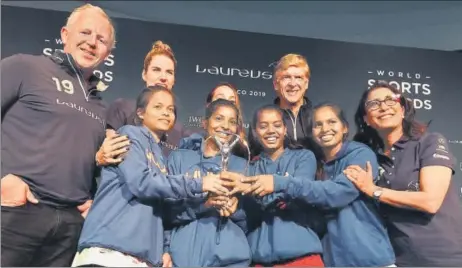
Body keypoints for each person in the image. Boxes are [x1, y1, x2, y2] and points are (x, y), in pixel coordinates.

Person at [1, 4, 115, 266]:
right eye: (85, 32)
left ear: (107, 52)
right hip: (16, 211)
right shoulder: (25, 67)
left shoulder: (99, 103)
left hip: (68, 227)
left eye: (101, 39)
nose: (91, 43)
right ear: (65, 34)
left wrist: (92, 200)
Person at [72, 86, 231, 267]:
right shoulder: (129, 134)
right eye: (158, 107)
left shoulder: (162, 159)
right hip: (108, 253)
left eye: (170, 109)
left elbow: (163, 210)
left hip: (141, 259)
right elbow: (142, 183)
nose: (166, 113)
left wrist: (164, 247)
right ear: (140, 112)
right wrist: (200, 183)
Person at [345, 80, 462, 266]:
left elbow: (431, 201)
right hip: (400, 261)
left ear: (402, 109)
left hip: (445, 259)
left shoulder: (429, 142)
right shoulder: (370, 158)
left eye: (390, 100)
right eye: (374, 104)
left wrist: (373, 190)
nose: (383, 107)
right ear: (366, 119)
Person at [225, 104, 325, 267]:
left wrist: (254, 190)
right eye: (263, 126)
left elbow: (300, 192)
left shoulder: (304, 157)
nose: (271, 131)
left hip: (303, 258)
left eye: (277, 125)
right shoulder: (249, 167)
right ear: (256, 132)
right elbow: (247, 214)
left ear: (285, 129)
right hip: (261, 261)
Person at [165, 99, 251, 267]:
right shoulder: (180, 158)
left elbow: (250, 221)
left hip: (230, 258)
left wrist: (234, 210)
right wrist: (205, 204)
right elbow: (166, 211)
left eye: (232, 122)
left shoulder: (243, 165)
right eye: (219, 118)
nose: (226, 126)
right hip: (182, 257)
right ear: (205, 123)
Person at [309, 102, 395, 266]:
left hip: (373, 260)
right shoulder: (315, 166)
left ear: (345, 128)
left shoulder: (360, 154)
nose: (325, 128)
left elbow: (336, 194)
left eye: (331, 122)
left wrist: (282, 184)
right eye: (317, 125)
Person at [100, 40, 189, 159]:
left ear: (174, 80)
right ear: (144, 74)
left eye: (169, 72)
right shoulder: (122, 108)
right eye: (156, 69)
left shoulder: (178, 130)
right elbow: (110, 155)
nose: (163, 77)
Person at [248, 54, 322, 167]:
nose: (292, 84)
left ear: (306, 84)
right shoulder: (262, 119)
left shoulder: (320, 117)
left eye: (298, 78)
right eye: (286, 77)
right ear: (275, 84)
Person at [181, 82, 248, 157]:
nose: (226, 104)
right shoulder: (189, 145)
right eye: (220, 99)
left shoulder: (243, 152)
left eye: (232, 102)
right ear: (208, 105)